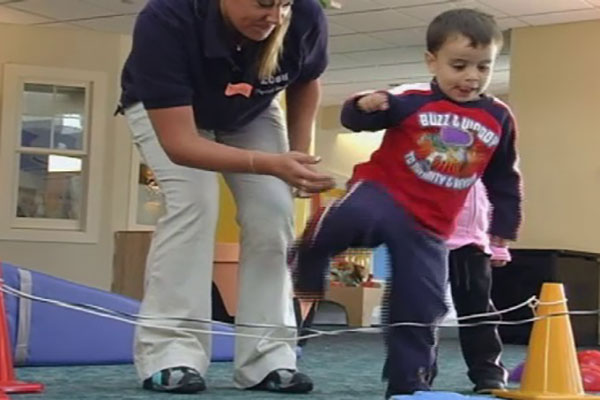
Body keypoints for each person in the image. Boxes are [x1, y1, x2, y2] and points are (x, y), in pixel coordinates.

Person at [292, 8, 522, 398]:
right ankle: (310, 253)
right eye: (459, 65)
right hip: (384, 192)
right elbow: (357, 118)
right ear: (432, 61)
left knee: (422, 303)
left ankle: (408, 385)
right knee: (353, 216)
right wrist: (363, 104)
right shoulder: (411, 99)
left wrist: (503, 228)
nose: (471, 77)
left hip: (431, 225)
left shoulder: (498, 116)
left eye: (483, 68)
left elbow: (504, 176)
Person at [118, 0, 334, 394]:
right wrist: (269, 163)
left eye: (284, 3)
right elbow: (181, 145)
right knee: (194, 204)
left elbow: (306, 79)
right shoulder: (165, 19)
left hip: (249, 110)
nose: (275, 16)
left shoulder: (305, 15)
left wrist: (296, 158)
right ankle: (171, 355)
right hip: (170, 115)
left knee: (273, 211)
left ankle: (268, 358)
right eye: (264, 2)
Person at [447, 179, 511, 393]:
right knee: (423, 309)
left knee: (479, 310)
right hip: (428, 239)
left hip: (472, 243)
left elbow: (499, 194)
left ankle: (489, 372)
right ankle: (416, 374)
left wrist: (497, 245)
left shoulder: (488, 154)